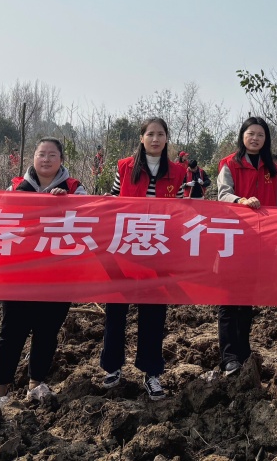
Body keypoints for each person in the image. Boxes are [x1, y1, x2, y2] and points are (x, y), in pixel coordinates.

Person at [0, 137, 86, 407]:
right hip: (19, 274)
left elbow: (89, 218)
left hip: (59, 274)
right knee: (12, 332)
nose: (46, 159)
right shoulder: (14, 187)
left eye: (52, 155)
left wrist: (67, 203)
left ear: (61, 160)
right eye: (41, 154)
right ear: (33, 158)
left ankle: (36, 384)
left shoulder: (74, 188)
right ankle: (0, 391)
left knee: (47, 332)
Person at [101, 118, 186, 401]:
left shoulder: (178, 172)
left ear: (167, 139)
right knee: (116, 311)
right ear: (141, 138)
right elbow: (115, 201)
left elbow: (181, 209)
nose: (155, 139)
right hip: (125, 248)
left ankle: (152, 373)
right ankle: (112, 367)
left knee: (153, 313)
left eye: (161, 134)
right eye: (150, 134)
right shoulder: (124, 167)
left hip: (158, 250)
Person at [216, 117, 277, 375]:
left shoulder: (272, 168)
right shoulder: (229, 164)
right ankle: (228, 357)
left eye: (260, 135)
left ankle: (243, 354)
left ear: (266, 140)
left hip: (259, 242)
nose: (255, 138)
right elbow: (223, 194)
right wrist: (241, 201)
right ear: (242, 136)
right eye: (251, 133)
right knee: (227, 300)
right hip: (232, 239)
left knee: (246, 301)